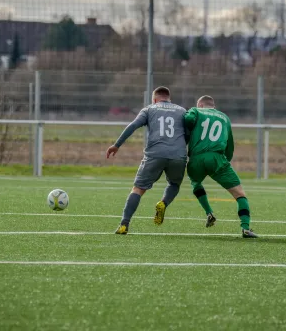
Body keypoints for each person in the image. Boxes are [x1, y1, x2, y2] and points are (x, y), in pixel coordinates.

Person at [106, 86, 188, 234]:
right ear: (169, 98)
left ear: (155, 99)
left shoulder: (149, 109)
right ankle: (163, 203)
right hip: (178, 155)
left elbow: (133, 126)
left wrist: (116, 145)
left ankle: (124, 224)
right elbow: (189, 133)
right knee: (174, 184)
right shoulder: (182, 111)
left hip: (155, 154)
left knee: (138, 189)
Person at [184, 95, 258, 238]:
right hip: (217, 158)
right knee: (240, 194)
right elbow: (230, 146)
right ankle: (245, 228)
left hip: (196, 159)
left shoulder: (195, 111)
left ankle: (209, 212)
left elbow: (188, 120)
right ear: (213, 106)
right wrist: (224, 164)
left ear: (200, 105)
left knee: (195, 183)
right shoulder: (224, 117)